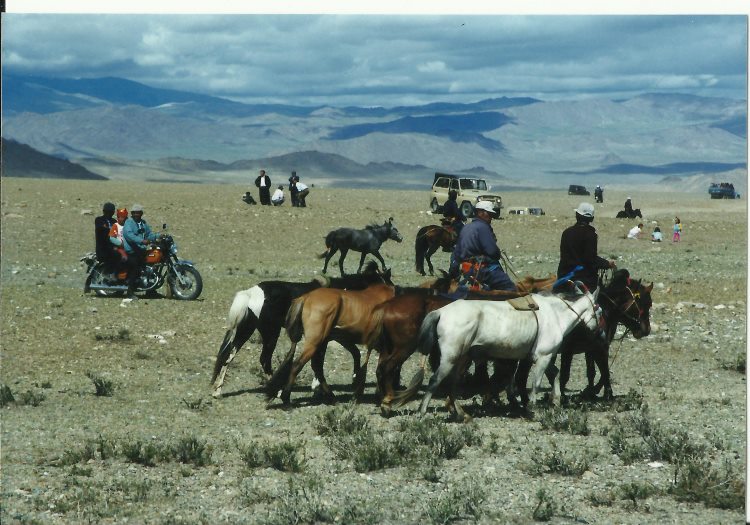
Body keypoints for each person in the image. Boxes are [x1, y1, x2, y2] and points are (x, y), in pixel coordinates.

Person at [449, 200, 515, 291]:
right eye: (489, 214)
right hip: (481, 270)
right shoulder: (483, 227)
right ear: (481, 212)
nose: (491, 217)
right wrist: (497, 254)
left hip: (466, 270)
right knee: (510, 287)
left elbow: (456, 254)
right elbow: (492, 251)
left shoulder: (466, 227)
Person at [556, 202, 616, 292]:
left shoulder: (566, 232)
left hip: (563, 276)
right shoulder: (590, 235)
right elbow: (590, 259)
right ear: (591, 218)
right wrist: (606, 264)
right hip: (582, 279)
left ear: (577, 215)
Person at [122, 204, 159, 297]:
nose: (137, 214)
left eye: (138, 213)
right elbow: (129, 236)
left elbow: (149, 234)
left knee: (151, 267)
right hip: (131, 251)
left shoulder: (143, 223)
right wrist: (142, 241)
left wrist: (158, 237)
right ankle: (130, 291)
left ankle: (150, 290)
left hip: (141, 251)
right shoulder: (128, 223)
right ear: (132, 213)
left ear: (141, 213)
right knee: (135, 267)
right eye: (135, 213)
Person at [95, 202, 117, 272]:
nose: (109, 213)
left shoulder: (114, 221)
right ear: (104, 211)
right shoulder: (99, 219)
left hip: (113, 246)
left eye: (111, 212)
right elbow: (101, 229)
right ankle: (110, 274)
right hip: (103, 248)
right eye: (107, 211)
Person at [108, 208, 129, 274]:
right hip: (119, 247)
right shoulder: (116, 226)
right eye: (122, 217)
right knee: (124, 258)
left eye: (125, 217)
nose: (123, 219)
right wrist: (120, 244)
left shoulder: (128, 226)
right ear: (118, 217)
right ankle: (117, 273)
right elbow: (112, 238)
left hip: (128, 247)